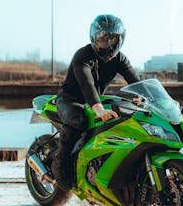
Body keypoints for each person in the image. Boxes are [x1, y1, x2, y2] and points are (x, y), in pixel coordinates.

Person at [52, 14, 140, 191]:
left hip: (96, 101)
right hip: (70, 99)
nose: (108, 44)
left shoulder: (120, 59)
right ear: (94, 37)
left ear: (120, 40)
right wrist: (98, 108)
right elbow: (87, 84)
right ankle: (60, 166)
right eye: (103, 38)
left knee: (121, 119)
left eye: (113, 39)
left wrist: (150, 99)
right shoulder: (83, 55)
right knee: (78, 120)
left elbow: (137, 83)